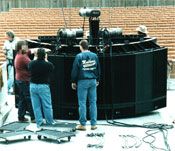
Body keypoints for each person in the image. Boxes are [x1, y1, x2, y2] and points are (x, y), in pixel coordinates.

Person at [71, 39, 100, 131]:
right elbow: (98, 68)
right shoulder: (94, 55)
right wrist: (97, 79)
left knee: (82, 103)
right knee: (93, 102)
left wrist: (73, 81)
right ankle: (93, 124)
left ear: (81, 47)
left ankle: (83, 124)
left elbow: (75, 70)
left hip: (82, 81)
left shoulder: (79, 56)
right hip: (92, 81)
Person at [28, 48, 55, 128]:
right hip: (43, 86)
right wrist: (46, 60)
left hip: (33, 86)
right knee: (47, 105)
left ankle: (39, 123)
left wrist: (35, 57)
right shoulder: (48, 65)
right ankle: (49, 123)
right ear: (45, 55)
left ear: (36, 55)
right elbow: (51, 69)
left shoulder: (31, 63)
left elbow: (30, 67)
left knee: (36, 106)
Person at [14, 40, 35, 122]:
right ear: (20, 48)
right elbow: (33, 65)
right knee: (29, 98)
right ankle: (33, 117)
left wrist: (40, 49)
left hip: (20, 80)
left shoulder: (22, 54)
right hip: (24, 81)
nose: (27, 47)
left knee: (22, 99)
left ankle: (21, 117)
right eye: (24, 46)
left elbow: (31, 51)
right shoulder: (22, 57)